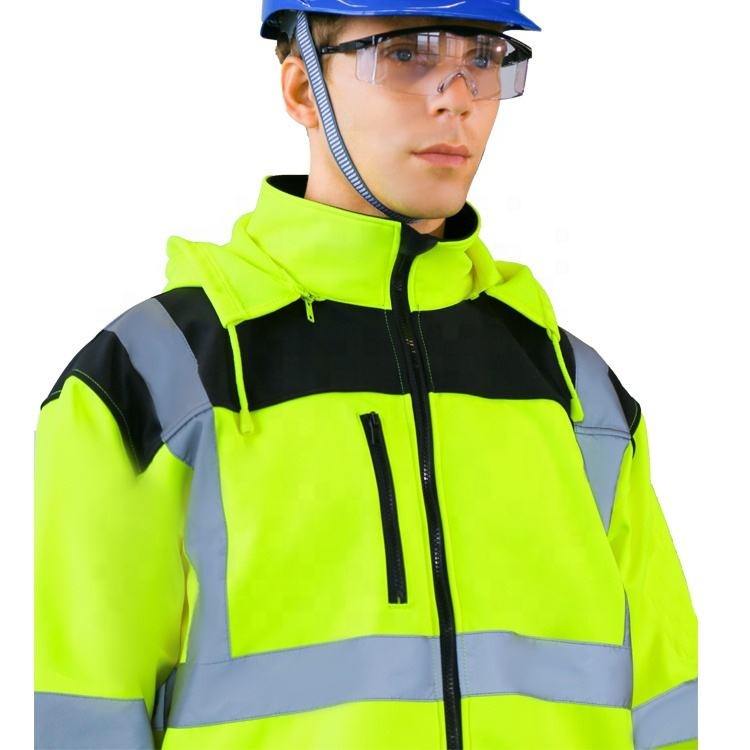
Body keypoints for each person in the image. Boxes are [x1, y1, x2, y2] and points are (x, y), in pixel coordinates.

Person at [33, 1, 698, 748]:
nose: (456, 98)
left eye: (482, 58)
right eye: (407, 53)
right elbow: (82, 715)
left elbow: (669, 703)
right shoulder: (155, 381)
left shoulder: (576, 392)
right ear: (302, 90)